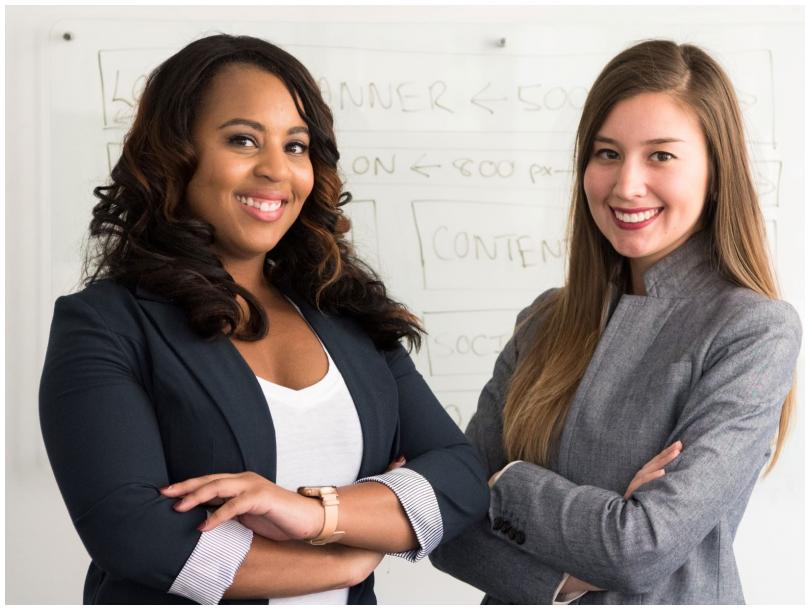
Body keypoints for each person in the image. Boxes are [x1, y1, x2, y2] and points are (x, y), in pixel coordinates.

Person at [39, 34, 489, 605]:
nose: (277, 170)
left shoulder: (344, 313)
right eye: (243, 140)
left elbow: (460, 479)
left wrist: (311, 516)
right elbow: (136, 536)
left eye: (296, 146)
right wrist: (349, 556)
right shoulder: (106, 323)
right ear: (177, 153)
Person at [429, 39, 801, 604]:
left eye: (661, 155)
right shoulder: (545, 321)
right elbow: (444, 523)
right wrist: (563, 579)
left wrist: (504, 482)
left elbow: (641, 546)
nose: (626, 185)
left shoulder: (753, 330)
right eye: (606, 154)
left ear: (716, 170)